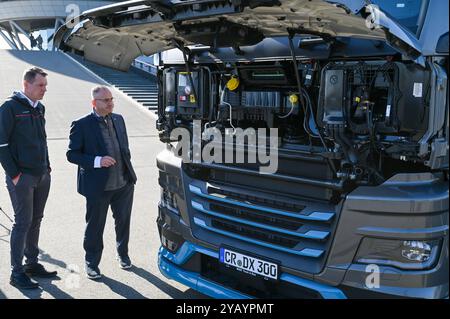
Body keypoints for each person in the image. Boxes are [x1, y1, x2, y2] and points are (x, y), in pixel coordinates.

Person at [66, 86, 137, 280]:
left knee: (123, 223)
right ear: (94, 103)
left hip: (123, 183)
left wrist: (128, 173)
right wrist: (97, 161)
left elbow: (124, 148)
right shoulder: (81, 125)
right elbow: (72, 154)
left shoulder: (118, 119)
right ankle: (91, 262)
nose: (110, 102)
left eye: (111, 99)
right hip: (98, 187)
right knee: (95, 226)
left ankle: (123, 254)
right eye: (105, 100)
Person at [0, 67, 57, 290]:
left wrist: (48, 165)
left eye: (45, 86)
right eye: (40, 85)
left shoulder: (39, 108)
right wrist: (14, 174)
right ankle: (17, 273)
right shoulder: (9, 108)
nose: (44, 90)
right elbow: (1, 144)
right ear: (26, 85)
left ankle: (32, 264)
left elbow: (42, 139)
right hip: (22, 177)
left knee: (36, 219)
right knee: (22, 222)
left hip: (42, 174)